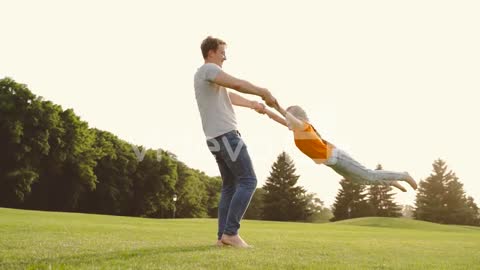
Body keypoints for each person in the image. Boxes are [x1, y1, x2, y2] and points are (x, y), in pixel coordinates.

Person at [194, 36, 274, 248]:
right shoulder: (208, 70)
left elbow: (228, 95)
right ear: (211, 52)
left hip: (214, 138)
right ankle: (231, 233)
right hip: (227, 135)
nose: (225, 57)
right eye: (222, 52)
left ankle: (223, 238)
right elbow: (237, 84)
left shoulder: (206, 77)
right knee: (248, 181)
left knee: (230, 186)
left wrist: (252, 104)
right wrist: (262, 91)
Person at [262, 102, 418, 192]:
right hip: (332, 163)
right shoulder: (296, 130)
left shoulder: (303, 127)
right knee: (359, 181)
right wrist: (265, 111)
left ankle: (403, 175)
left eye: (288, 119)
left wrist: (275, 105)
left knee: (368, 174)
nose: (286, 122)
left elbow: (284, 116)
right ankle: (390, 181)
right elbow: (279, 118)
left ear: (296, 118)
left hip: (337, 157)